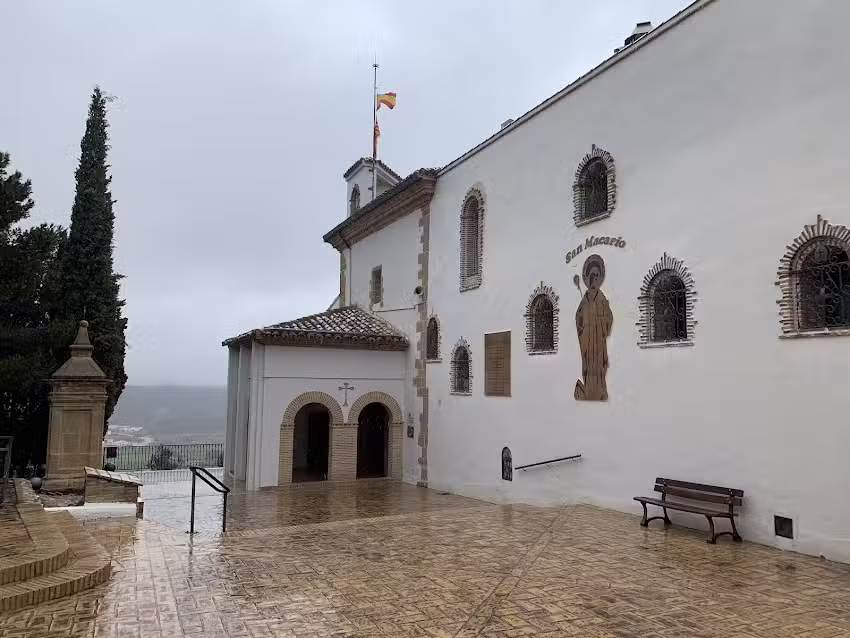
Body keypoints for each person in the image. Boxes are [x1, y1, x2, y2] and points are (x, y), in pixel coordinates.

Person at [575, 255, 613, 401]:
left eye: (597, 275)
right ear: (588, 277)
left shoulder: (602, 299)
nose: (594, 278)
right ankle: (588, 391)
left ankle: (600, 392)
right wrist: (584, 328)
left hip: (598, 340)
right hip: (587, 340)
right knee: (588, 366)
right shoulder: (584, 300)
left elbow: (609, 318)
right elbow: (577, 318)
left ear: (600, 277)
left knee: (599, 367)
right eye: (591, 275)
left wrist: (601, 323)